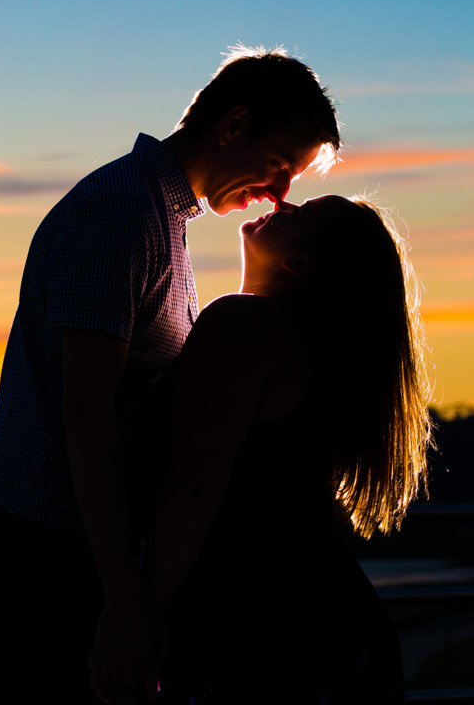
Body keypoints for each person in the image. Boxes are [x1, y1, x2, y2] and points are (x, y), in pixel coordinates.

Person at [0, 46, 340, 705]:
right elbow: (87, 411)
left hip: (72, 553)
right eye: (278, 166)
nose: (278, 195)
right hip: (44, 554)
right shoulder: (119, 212)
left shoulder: (161, 220)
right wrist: (125, 595)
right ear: (232, 124)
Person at [115, 193, 432, 704]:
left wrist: (138, 612)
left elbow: (194, 484)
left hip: (259, 625)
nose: (283, 203)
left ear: (300, 262)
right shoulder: (310, 352)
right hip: (320, 619)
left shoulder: (245, 326)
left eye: (301, 213)